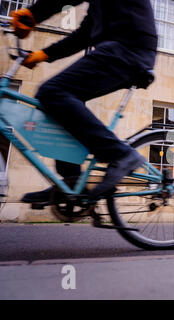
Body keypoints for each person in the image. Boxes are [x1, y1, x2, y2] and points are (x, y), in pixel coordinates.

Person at [10, 0, 158, 203]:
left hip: (128, 49)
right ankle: (71, 182)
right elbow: (84, 35)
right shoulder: (101, 8)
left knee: (53, 92)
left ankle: (121, 154)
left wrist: (34, 15)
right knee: (56, 101)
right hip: (121, 50)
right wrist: (44, 55)